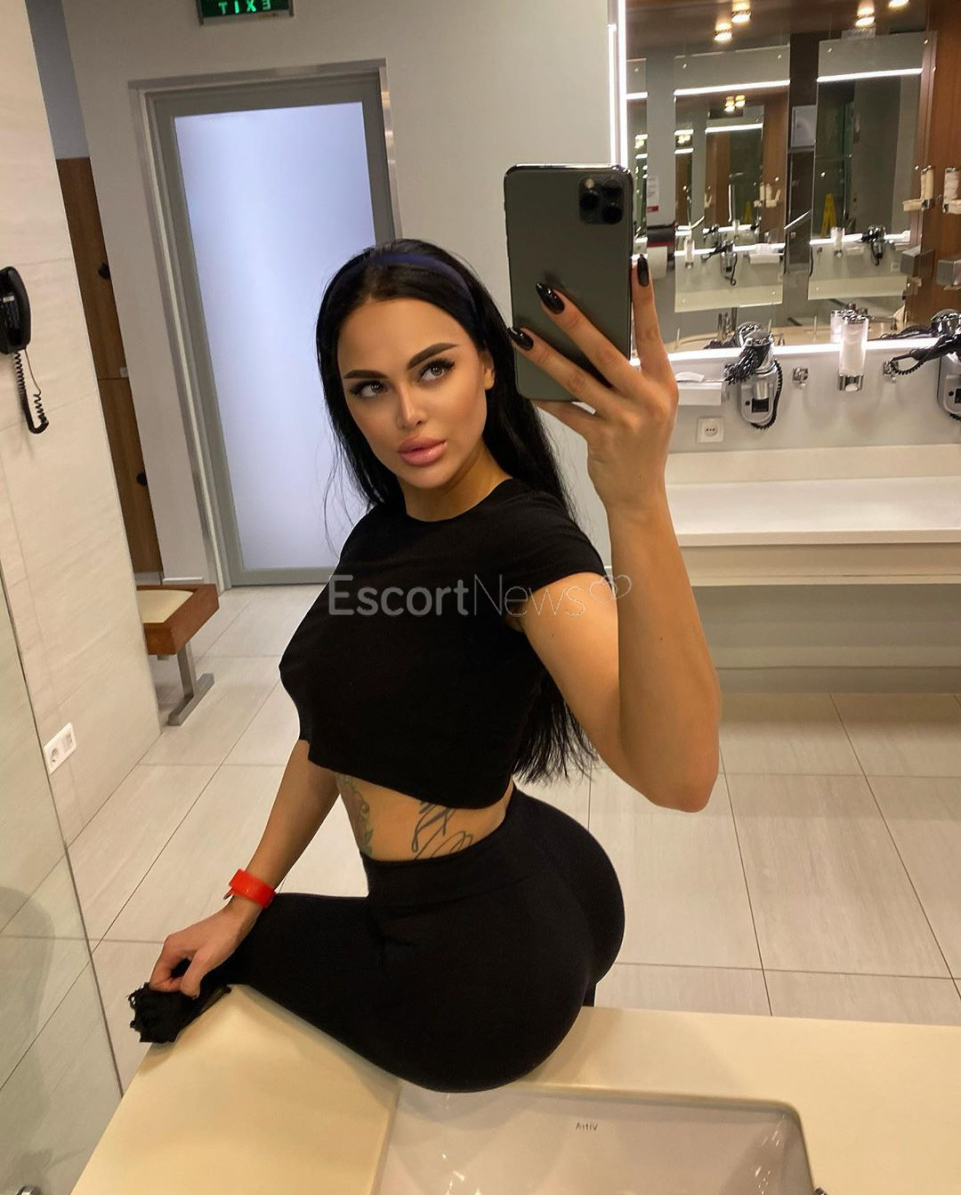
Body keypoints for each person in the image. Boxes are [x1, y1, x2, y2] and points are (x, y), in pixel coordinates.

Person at [128, 237, 718, 1093]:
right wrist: (247, 894)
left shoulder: (526, 547)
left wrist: (637, 501)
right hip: (543, 875)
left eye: (433, 369)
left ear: (488, 363)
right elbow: (333, 733)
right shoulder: (383, 532)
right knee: (238, 937)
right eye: (370, 387)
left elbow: (681, 777)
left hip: (471, 967)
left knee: (199, 978)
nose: (405, 413)